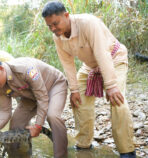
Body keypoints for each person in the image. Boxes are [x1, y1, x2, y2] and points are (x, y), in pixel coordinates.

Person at [41, 1, 135, 158]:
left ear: (66, 15)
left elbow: (101, 53)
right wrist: (74, 89)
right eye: (49, 26)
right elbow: (68, 63)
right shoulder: (57, 37)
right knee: (78, 100)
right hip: (90, 66)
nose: (53, 29)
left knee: (117, 101)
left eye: (55, 24)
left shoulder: (88, 23)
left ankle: (127, 150)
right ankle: (84, 145)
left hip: (113, 58)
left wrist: (111, 85)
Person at [0, 57, 68, 158]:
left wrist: (38, 126)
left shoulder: (25, 69)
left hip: (54, 86)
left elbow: (42, 98)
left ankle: (61, 155)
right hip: (31, 97)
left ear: (1, 68)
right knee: (15, 124)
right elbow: (5, 111)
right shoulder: (0, 85)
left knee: (53, 116)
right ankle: (15, 155)